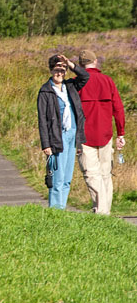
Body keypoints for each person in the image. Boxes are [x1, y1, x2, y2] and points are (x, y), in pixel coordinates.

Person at [37, 54, 89, 210]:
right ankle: (55, 211)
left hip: (72, 135)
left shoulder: (70, 86)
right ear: (51, 70)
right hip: (57, 137)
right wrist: (46, 144)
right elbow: (43, 121)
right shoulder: (45, 91)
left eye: (63, 69)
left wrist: (70, 64)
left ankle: (62, 210)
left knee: (67, 178)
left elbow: (85, 76)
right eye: (57, 69)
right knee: (57, 178)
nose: (60, 73)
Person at [77, 49, 125, 215]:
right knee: (105, 174)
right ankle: (105, 211)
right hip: (106, 135)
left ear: (79, 65)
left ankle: (101, 212)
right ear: (95, 61)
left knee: (91, 174)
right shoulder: (107, 81)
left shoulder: (77, 83)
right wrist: (121, 133)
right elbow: (118, 108)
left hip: (84, 136)